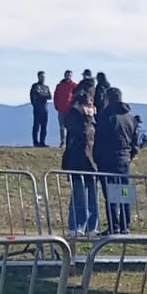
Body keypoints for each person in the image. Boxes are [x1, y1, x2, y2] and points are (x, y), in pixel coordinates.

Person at [94, 84, 140, 233]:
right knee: (124, 192)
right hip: (125, 160)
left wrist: (97, 159)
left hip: (108, 160)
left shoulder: (107, 117)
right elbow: (135, 142)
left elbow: (99, 140)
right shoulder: (130, 118)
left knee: (111, 193)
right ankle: (125, 225)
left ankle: (114, 225)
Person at [61, 90, 97, 239]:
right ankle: (76, 226)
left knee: (92, 196)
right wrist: (85, 117)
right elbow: (81, 133)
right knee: (79, 195)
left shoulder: (94, 119)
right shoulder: (72, 116)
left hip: (92, 163)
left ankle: (91, 227)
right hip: (77, 161)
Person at [30, 71, 51, 149]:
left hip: (45, 109)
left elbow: (49, 96)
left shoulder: (46, 87)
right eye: (41, 76)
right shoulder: (35, 86)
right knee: (36, 126)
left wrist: (41, 95)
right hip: (37, 109)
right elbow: (33, 96)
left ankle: (42, 142)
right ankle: (35, 142)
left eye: (44, 77)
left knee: (44, 126)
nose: (43, 78)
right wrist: (42, 96)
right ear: (38, 77)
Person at [54, 70, 77, 138]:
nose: (68, 76)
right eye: (67, 75)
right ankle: (62, 141)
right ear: (65, 75)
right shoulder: (59, 85)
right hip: (61, 108)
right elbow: (56, 96)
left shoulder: (74, 85)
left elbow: (77, 96)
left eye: (70, 75)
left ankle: (70, 141)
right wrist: (56, 105)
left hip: (70, 109)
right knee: (62, 126)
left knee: (70, 126)